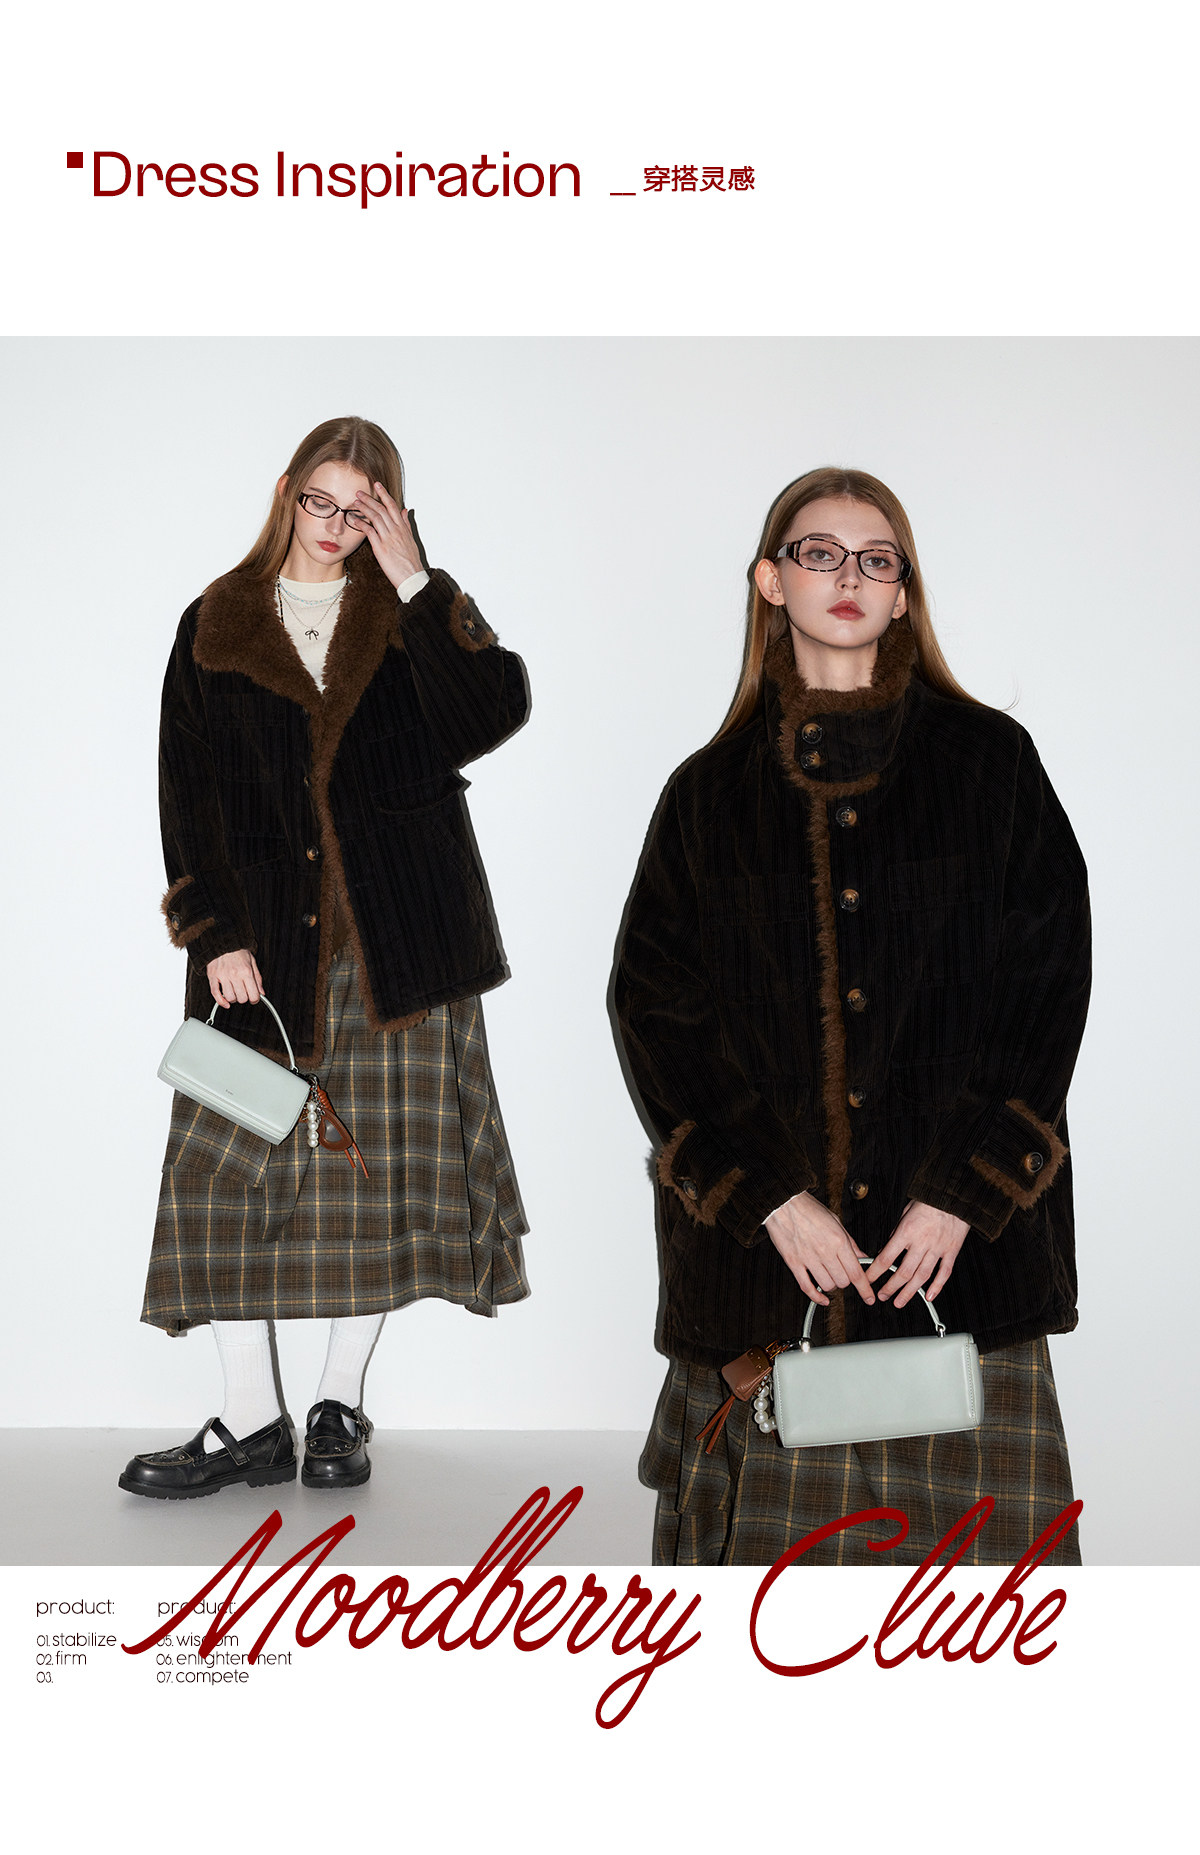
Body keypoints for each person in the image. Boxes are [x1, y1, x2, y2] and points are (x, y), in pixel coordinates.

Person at [615, 467, 1090, 1567]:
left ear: (904, 593)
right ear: (770, 581)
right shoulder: (707, 794)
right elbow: (655, 1014)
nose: (850, 575)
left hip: (959, 1269)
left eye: (878, 559)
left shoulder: (992, 766)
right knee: (766, 1627)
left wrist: (966, 1191)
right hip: (769, 1274)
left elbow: (1046, 988)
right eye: (819, 553)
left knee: (992, 1622)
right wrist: (771, 1200)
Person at [120, 416, 529, 1500]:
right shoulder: (217, 620)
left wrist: (420, 578)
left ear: (389, 514)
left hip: (398, 943)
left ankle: (337, 1403)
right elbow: (184, 795)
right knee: (222, 1180)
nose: (338, 524)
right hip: (262, 953)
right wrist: (213, 932)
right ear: (286, 491)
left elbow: (496, 709)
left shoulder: (404, 617)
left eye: (363, 509)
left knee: (374, 1184)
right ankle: (249, 1419)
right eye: (322, 500)